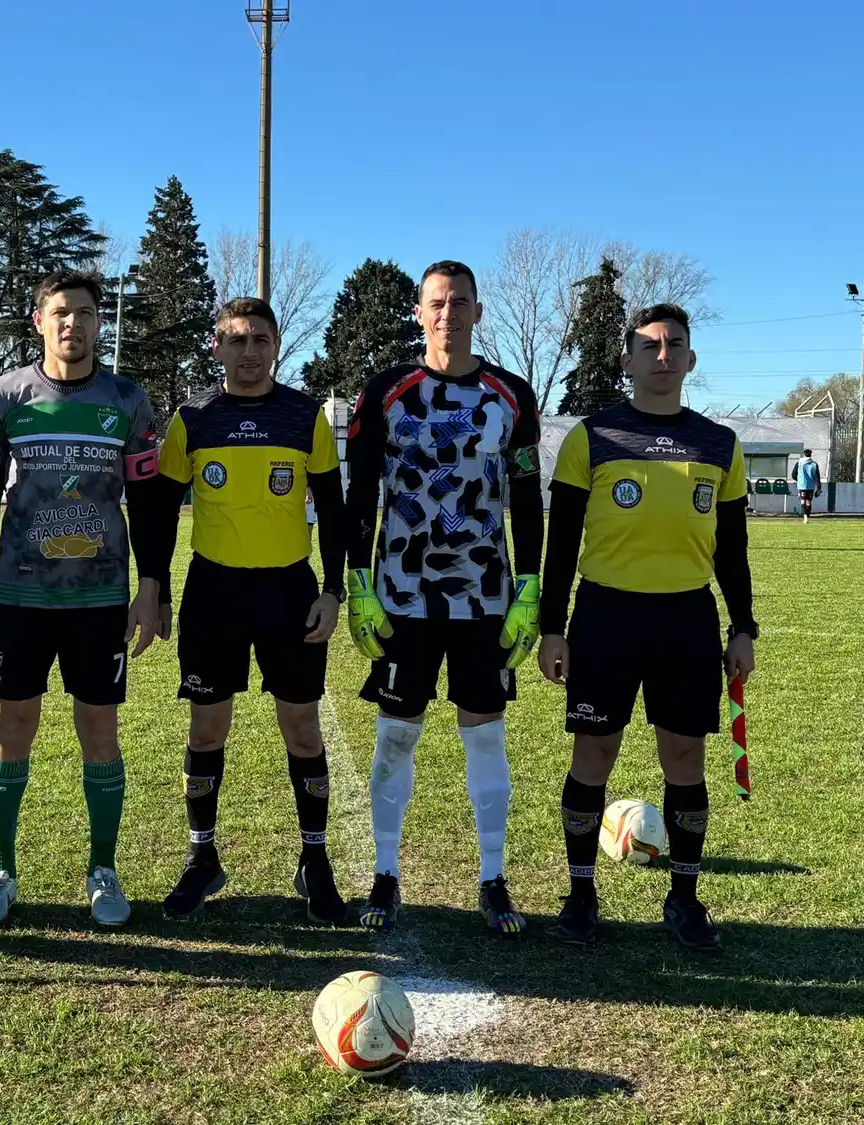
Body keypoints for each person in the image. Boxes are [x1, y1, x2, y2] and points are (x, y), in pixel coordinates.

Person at [537, 303, 756, 952]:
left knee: (684, 758)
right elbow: (561, 543)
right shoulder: (591, 437)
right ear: (626, 360)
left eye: (675, 346)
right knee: (593, 753)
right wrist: (553, 628)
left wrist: (742, 626)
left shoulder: (720, 444)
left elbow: (733, 549)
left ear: (690, 360)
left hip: (687, 617)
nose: (663, 356)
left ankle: (684, 899)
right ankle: (580, 893)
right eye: (649, 345)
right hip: (605, 615)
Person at [344, 260, 544, 934]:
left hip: (485, 598)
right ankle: (385, 872)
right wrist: (356, 579)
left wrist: (529, 584)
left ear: (477, 312)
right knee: (395, 737)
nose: (448, 314)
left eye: (460, 302)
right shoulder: (386, 392)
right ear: (418, 311)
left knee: (485, 735)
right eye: (436, 302)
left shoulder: (511, 395)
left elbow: (526, 495)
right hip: (403, 596)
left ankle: (493, 878)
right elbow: (360, 491)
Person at [0, 270, 166, 929]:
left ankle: (102, 869)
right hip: (20, 597)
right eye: (60, 313)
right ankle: (0, 869)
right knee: (12, 726)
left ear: (99, 323)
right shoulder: (4, 396)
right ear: (38, 320)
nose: (72, 324)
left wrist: (150, 587)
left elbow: (151, 500)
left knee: (98, 732)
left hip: (101, 598)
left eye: (84, 313)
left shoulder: (128, 401)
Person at [154, 297, 348, 923]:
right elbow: (157, 513)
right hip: (213, 593)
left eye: (259, 339)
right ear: (217, 347)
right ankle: (201, 857)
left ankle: (314, 862)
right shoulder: (193, 419)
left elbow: (335, 509)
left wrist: (333, 589)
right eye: (236, 340)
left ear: (276, 345)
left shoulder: (305, 416)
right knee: (207, 729)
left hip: (289, 591)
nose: (248, 351)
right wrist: (154, 590)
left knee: (302, 726)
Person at [791, 448, 821, 522]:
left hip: (801, 485)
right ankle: (807, 515)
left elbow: (793, 474)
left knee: (802, 500)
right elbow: (817, 477)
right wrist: (819, 488)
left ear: (804, 454)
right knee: (808, 501)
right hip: (811, 486)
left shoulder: (799, 462)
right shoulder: (814, 464)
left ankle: (805, 517)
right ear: (811, 454)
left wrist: (799, 480)